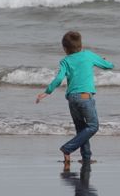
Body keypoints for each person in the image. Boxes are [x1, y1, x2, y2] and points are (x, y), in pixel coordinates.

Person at [36, 31, 114, 163]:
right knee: (93, 126)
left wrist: (47, 92)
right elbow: (109, 66)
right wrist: (104, 61)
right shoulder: (88, 55)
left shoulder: (65, 61)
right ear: (81, 45)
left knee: (81, 128)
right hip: (85, 97)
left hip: (72, 98)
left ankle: (86, 157)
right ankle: (68, 148)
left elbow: (59, 78)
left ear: (65, 48)